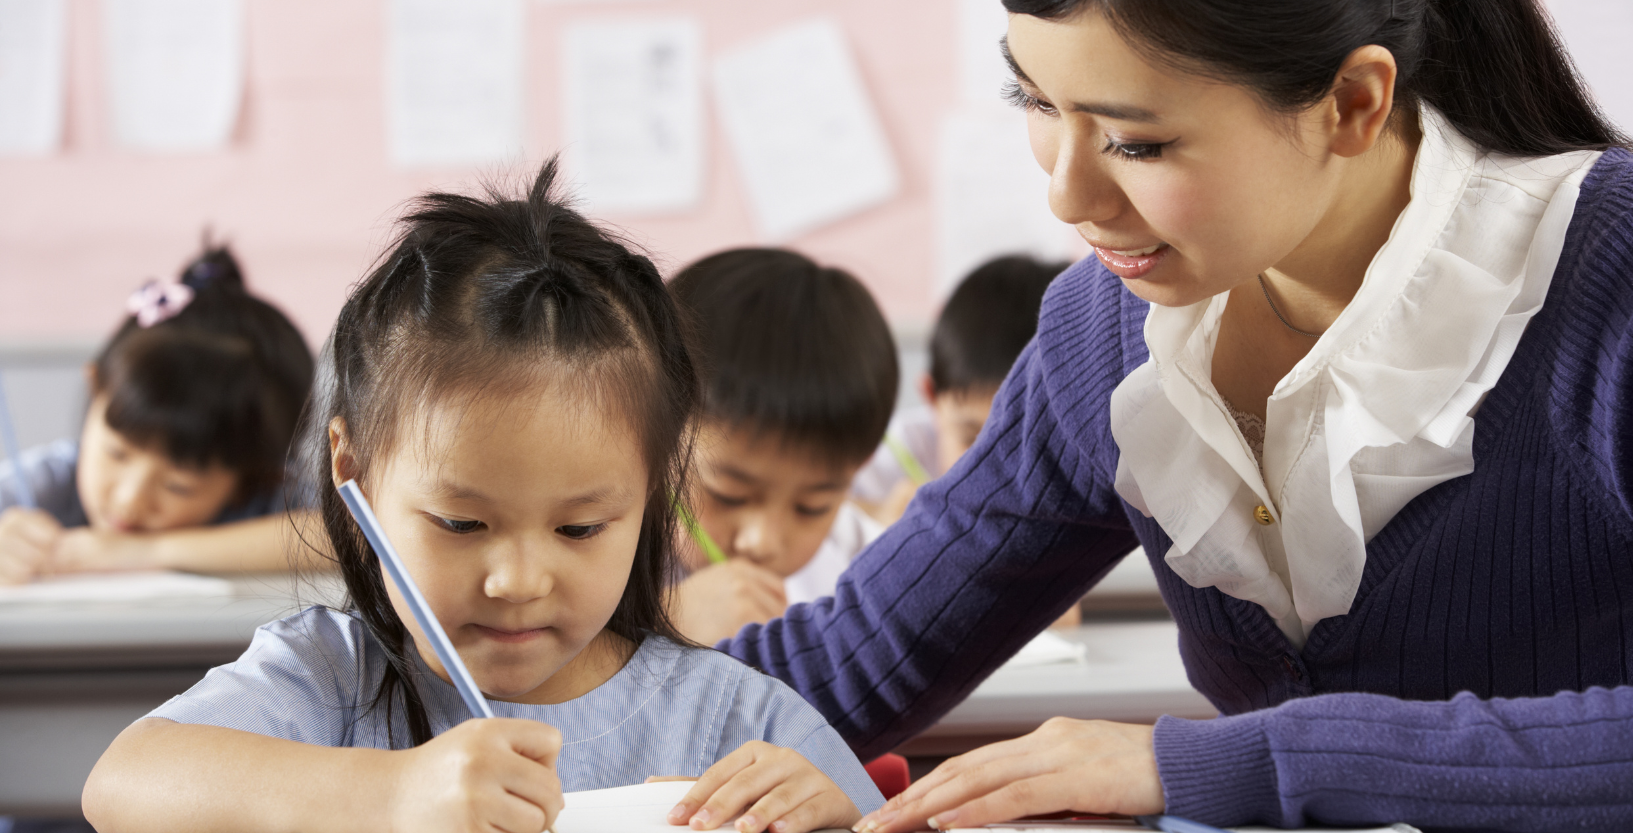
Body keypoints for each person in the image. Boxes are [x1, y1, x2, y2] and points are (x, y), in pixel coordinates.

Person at [703, 0, 1633, 831]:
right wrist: (566, 731)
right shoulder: (1112, 328)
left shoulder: (1614, 277)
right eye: (1033, 101)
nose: (1066, 194)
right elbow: (856, 657)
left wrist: (1194, 764)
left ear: (1353, 103)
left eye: (1137, 142)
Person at [81, 162, 881, 833]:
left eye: (580, 527)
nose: (518, 580)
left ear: (652, 490)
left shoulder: (731, 720)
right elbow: (120, 784)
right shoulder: (331, 681)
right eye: (462, 522)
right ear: (350, 467)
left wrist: (841, 815)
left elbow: (869, 814)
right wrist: (391, 795)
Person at [0, 245, 320, 584]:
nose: (129, 501)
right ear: (96, 389)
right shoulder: (45, 485)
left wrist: (140, 551)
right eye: (116, 454)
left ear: (250, 479)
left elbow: (355, 537)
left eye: (177, 486)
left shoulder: (269, 501)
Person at [667, 248, 898, 646]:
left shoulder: (856, 557)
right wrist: (666, 622)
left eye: (812, 507)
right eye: (730, 495)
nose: (762, 541)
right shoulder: (594, 555)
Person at [852, 254, 1069, 526]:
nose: (991, 471)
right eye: (969, 438)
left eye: (1019, 444)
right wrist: (881, 522)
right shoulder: (878, 459)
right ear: (932, 397)